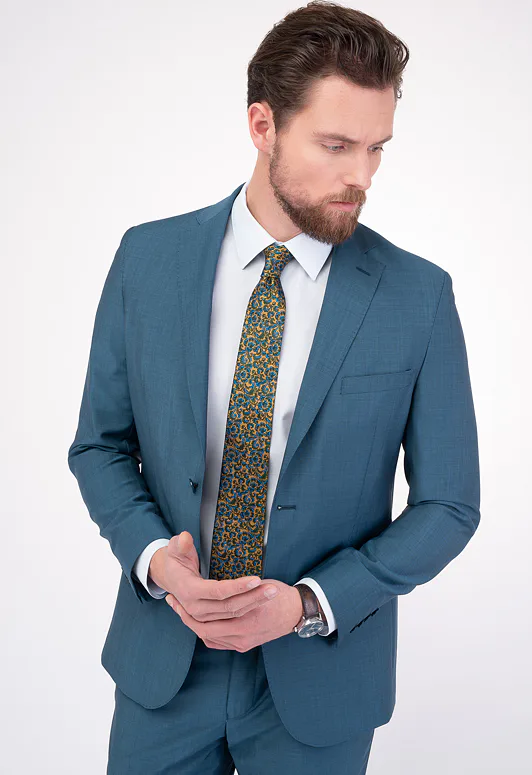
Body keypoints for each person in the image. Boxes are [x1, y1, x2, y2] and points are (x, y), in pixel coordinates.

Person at [68, 2, 480, 772]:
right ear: (263, 125)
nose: (361, 175)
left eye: (376, 148)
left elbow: (449, 504)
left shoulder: (416, 296)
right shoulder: (147, 261)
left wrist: (308, 602)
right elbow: (100, 446)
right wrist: (155, 558)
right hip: (164, 665)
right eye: (335, 145)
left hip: (319, 676)